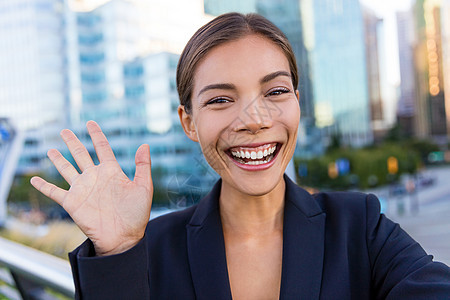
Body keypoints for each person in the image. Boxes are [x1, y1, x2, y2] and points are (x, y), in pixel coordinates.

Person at [30, 12, 449, 299]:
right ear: (189, 122)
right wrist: (118, 255)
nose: (254, 120)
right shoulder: (149, 249)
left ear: (297, 103)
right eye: (220, 100)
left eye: (276, 91)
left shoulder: (360, 227)